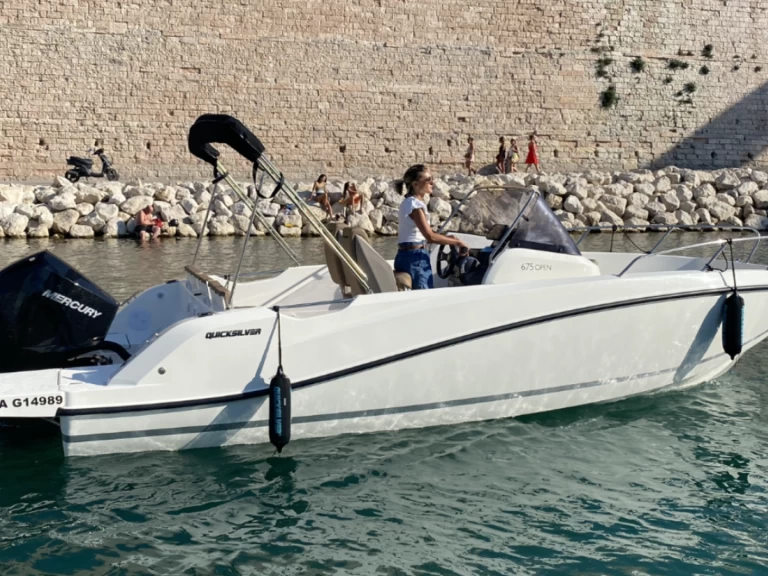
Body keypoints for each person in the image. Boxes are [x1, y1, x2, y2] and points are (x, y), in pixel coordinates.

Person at [394, 164, 467, 290]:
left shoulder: (408, 202)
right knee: (424, 298)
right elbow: (430, 236)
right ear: (415, 184)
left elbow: (423, 232)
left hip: (404, 255)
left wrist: (447, 238)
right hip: (416, 258)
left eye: (432, 178)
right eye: (428, 180)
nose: (432, 182)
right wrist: (458, 242)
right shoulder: (415, 206)